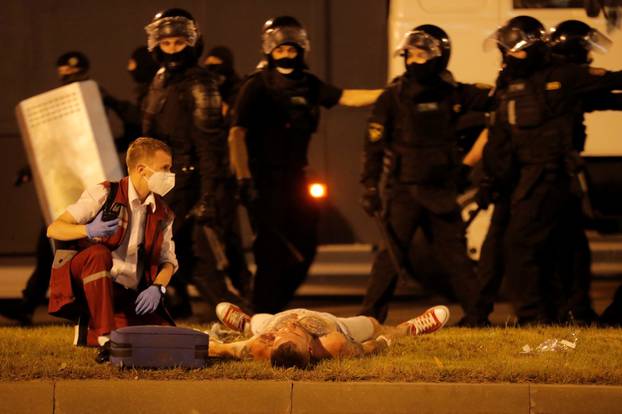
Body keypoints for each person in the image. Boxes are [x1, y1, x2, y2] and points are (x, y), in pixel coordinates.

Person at [228, 15, 382, 314]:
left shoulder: (308, 83)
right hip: (262, 178)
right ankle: (260, 312)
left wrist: (389, 94)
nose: (287, 55)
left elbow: (347, 97)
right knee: (270, 251)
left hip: (296, 176)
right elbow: (237, 133)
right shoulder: (257, 85)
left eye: (292, 49)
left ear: (301, 50)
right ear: (269, 51)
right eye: (281, 50)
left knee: (307, 247)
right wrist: (244, 178)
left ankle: (275, 307)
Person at [481, 15, 622, 324]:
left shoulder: (562, 76)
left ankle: (535, 318)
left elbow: (610, 84)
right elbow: (498, 138)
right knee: (564, 248)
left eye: (515, 49)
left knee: (522, 247)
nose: (510, 56)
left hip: (547, 178)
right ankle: (567, 313)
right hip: (526, 179)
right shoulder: (514, 85)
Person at [359, 25, 492, 325]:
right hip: (403, 191)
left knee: (455, 257)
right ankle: (369, 319)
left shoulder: (455, 93)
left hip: (440, 191)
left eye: (422, 55)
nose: (415, 61)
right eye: (411, 55)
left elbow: (500, 100)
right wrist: (369, 185)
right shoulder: (392, 97)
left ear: (439, 57)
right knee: (390, 259)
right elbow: (374, 145)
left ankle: (478, 316)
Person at [142, 8, 251, 320]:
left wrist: (207, 195)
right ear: (156, 45)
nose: (173, 49)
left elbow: (210, 146)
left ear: (191, 43)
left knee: (190, 256)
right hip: (160, 181)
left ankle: (238, 314)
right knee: (178, 255)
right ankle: (230, 313)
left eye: (179, 42)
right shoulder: (160, 79)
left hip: (188, 180)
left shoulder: (201, 82)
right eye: (167, 43)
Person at [46, 137, 177, 356]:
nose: (170, 175)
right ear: (142, 170)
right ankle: (105, 337)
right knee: (98, 254)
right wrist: (87, 230)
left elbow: (168, 261)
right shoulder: (106, 193)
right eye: (165, 168)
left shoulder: (163, 212)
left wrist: (158, 287)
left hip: (129, 292)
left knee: (164, 341)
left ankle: (96, 327)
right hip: (96, 280)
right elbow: (55, 228)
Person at [209, 302, 449, 369]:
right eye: (292, 334)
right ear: (311, 349)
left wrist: (213, 344)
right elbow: (371, 347)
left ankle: (246, 324)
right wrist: (388, 339)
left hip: (270, 318)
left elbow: (222, 349)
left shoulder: (260, 346)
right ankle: (412, 327)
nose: (287, 328)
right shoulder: (334, 343)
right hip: (338, 324)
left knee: (258, 322)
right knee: (373, 325)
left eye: (282, 336)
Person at [202, 45, 243, 115]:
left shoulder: (240, 90)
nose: (212, 72)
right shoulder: (203, 87)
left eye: (215, 66)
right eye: (209, 66)